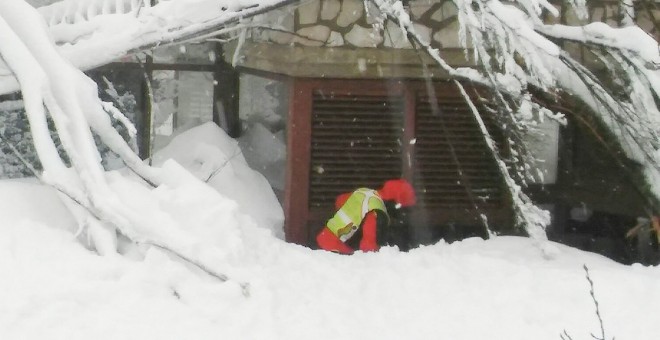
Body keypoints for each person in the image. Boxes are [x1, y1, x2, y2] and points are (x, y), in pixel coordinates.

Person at [316, 179, 416, 254]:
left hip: (324, 239)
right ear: (395, 204)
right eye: (403, 209)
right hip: (337, 250)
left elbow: (339, 200)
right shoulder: (377, 211)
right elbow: (368, 246)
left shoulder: (365, 193)